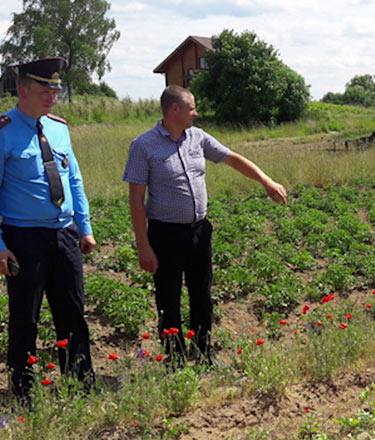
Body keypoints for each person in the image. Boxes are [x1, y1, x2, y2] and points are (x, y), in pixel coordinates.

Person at [123, 85, 287, 364]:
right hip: (165, 234)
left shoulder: (197, 138)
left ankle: (202, 353)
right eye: (192, 108)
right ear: (174, 110)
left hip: (199, 230)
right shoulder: (143, 146)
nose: (196, 113)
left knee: (202, 294)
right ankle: (174, 360)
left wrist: (265, 180)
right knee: (168, 298)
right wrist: (143, 246)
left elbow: (232, 159)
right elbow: (136, 199)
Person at [0, 57, 96, 400]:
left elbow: (74, 179)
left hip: (64, 233)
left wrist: (83, 226)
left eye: (55, 90)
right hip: (23, 238)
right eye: (44, 90)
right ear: (23, 90)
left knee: (73, 312)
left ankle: (80, 383)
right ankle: (23, 390)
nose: (52, 97)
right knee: (25, 317)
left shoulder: (59, 128)